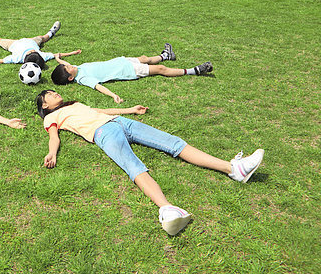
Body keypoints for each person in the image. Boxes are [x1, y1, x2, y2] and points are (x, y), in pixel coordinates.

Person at [36, 90, 264, 236]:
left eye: (55, 92)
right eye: (50, 95)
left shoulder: (75, 105)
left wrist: (130, 110)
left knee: (173, 143)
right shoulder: (50, 117)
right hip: (103, 132)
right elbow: (54, 136)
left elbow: (101, 110)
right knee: (133, 166)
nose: (56, 94)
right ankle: (167, 210)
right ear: (45, 105)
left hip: (119, 121)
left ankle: (233, 168)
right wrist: (52, 153)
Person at [50, 43, 213, 103]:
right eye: (67, 68)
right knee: (160, 70)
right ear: (71, 77)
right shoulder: (83, 77)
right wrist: (113, 95)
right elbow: (98, 87)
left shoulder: (76, 68)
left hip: (122, 61)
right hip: (128, 70)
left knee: (144, 58)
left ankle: (165, 55)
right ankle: (194, 71)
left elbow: (65, 63)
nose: (69, 65)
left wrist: (58, 59)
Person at [0, 21, 81, 69]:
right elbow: (57, 54)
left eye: (31, 52)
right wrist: (72, 53)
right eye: (34, 52)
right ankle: (51, 32)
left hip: (13, 44)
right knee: (42, 38)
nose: (33, 51)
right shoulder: (42, 56)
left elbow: (0, 60)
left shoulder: (17, 58)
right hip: (32, 41)